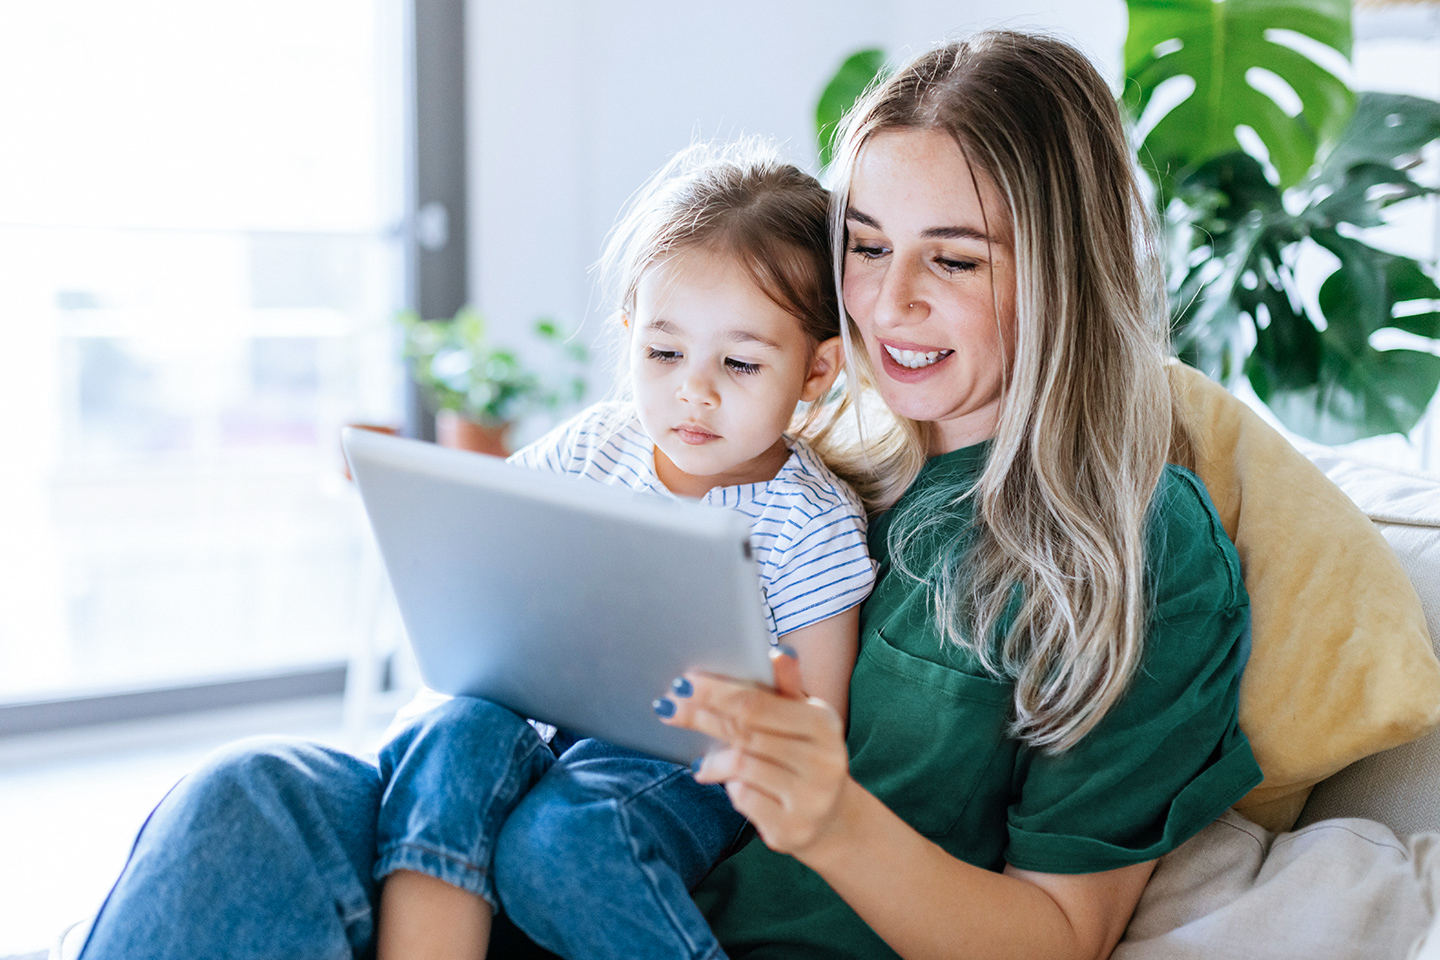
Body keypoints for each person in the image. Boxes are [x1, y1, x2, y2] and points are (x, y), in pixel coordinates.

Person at [77, 143, 874, 960]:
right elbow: (490, 549)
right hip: (544, 717)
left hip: (682, 762)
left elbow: (816, 724)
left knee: (569, 839)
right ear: (630, 332)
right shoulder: (596, 444)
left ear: (817, 371)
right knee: (456, 725)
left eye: (740, 363)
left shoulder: (808, 520)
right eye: (664, 353)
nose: (693, 389)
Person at [651, 30, 1264, 960]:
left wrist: (832, 821)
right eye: (865, 246)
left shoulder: (1140, 549)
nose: (888, 302)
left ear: (1063, 273)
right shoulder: (802, 459)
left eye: (956, 260)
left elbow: (1061, 934)